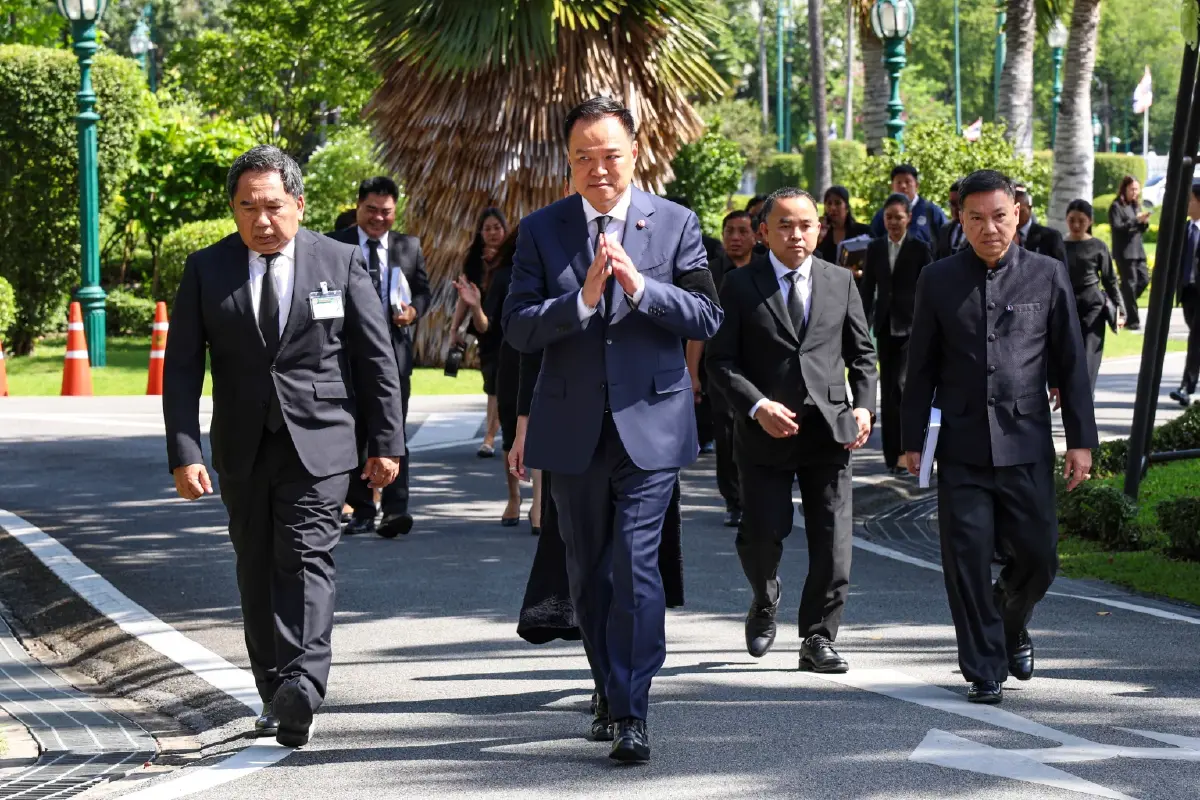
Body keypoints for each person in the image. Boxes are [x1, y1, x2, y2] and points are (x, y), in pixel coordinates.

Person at [503, 96, 722, 763]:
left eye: (611, 156)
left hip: (652, 425)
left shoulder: (676, 224)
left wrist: (641, 289)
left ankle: (632, 710)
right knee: (588, 571)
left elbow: (708, 316)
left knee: (634, 563)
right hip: (572, 428)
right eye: (584, 158)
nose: (599, 169)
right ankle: (606, 682)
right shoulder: (542, 231)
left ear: (635, 153)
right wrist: (583, 301)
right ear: (567, 163)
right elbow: (517, 326)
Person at [163, 145, 405, 747]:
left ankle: (303, 683)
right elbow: (183, 368)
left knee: (304, 556)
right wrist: (184, 451)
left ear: (298, 204)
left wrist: (386, 441)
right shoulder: (207, 268)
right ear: (234, 210)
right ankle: (273, 688)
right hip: (242, 445)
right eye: (247, 207)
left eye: (273, 206)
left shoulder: (341, 261)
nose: (261, 220)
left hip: (320, 441)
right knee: (255, 565)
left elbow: (375, 360)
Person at [902, 170, 1097, 706]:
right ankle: (984, 668)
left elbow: (1071, 362)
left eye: (999, 216)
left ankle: (1009, 620)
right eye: (976, 218)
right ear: (960, 219)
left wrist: (1081, 440)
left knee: (1040, 557)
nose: (989, 228)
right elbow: (919, 366)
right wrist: (911, 438)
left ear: (1018, 213)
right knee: (965, 559)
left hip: (1026, 439)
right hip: (961, 445)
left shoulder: (1048, 273)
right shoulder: (937, 279)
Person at [706, 187, 876, 673]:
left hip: (829, 432)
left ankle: (818, 637)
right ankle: (764, 594)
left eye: (805, 224)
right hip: (764, 435)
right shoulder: (739, 286)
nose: (796, 234)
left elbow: (863, 355)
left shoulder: (840, 281)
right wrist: (757, 406)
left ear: (819, 229)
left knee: (833, 541)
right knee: (762, 534)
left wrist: (864, 408)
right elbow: (720, 362)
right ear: (764, 233)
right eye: (784, 225)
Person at [326, 177, 431, 538]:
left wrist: (413, 313)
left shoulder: (409, 246)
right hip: (346, 354)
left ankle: (396, 510)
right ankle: (362, 509)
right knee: (352, 432)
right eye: (371, 210)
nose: (378, 218)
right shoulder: (335, 244)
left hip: (393, 352)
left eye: (386, 212)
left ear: (395, 211)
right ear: (358, 207)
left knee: (393, 430)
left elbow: (423, 291)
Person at [464, 223, 536, 528]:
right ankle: (514, 498)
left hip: (548, 357)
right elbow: (485, 326)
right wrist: (475, 305)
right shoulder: (504, 276)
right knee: (511, 428)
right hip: (511, 358)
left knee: (541, 430)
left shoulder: (559, 273)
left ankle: (540, 504)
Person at [860, 193, 934, 473]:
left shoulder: (919, 248)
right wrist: (860, 325)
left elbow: (929, 291)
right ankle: (892, 456)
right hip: (884, 327)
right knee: (888, 392)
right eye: (889, 217)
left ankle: (909, 451)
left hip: (911, 327)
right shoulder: (875, 248)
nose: (893, 222)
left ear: (909, 218)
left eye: (898, 217)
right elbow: (867, 288)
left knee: (903, 389)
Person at [706, 210, 761, 527]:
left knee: (756, 433)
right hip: (721, 367)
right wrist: (691, 374)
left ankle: (756, 496)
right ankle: (734, 500)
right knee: (726, 436)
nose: (735, 238)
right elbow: (699, 328)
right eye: (729, 231)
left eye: (742, 231)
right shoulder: (710, 273)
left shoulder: (765, 271)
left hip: (760, 366)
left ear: (755, 236)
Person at [454, 207, 509, 457]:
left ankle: (491, 436)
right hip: (484, 330)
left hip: (507, 328)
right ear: (480, 232)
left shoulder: (513, 257)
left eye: (497, 227)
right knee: (492, 386)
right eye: (487, 228)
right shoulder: (475, 260)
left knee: (498, 386)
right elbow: (464, 297)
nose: (493, 233)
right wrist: (455, 329)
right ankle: (493, 435)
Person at [1063, 199, 1124, 394]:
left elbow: (1110, 280)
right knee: (1068, 359)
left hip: (1093, 309)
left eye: (1081, 220)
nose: (1076, 225)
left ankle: (1084, 403)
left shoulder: (1098, 246)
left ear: (1090, 221)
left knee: (1089, 361)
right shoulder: (1058, 245)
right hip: (1065, 308)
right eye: (1072, 220)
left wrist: (1120, 310)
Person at [1169, 183, 1200, 407]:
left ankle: (1185, 387)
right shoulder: (1185, 229)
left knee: (1196, 338)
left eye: (1190, 199)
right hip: (1187, 293)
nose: (1186, 204)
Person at [1108, 176, 1152, 331]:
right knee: (1130, 286)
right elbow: (1118, 228)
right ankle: (1132, 321)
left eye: (1137, 189)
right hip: (1124, 252)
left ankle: (1120, 302)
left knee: (1144, 280)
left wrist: (1143, 223)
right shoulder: (1116, 206)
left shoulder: (1135, 205)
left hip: (1138, 251)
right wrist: (1135, 220)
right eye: (1132, 189)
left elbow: (1138, 229)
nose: (1135, 192)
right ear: (1124, 189)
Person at [869, 164, 948, 247]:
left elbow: (946, 241)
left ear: (916, 185)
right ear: (892, 186)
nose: (903, 186)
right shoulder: (883, 214)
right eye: (898, 182)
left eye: (908, 182)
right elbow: (872, 241)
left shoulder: (931, 211)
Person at [815, 185, 871, 265]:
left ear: (847, 207)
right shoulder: (820, 232)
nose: (833, 208)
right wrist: (818, 239)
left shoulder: (863, 232)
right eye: (829, 203)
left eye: (838, 203)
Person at [1014, 190, 1067, 266]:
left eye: (1020, 212)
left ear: (1029, 208)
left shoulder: (1050, 236)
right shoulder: (1003, 236)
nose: (1016, 216)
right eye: (1012, 212)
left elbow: (1062, 271)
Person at [934, 180, 968, 261]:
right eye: (952, 203)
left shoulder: (980, 230)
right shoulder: (945, 229)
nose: (955, 208)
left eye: (960, 204)